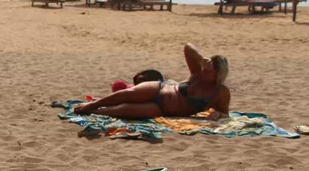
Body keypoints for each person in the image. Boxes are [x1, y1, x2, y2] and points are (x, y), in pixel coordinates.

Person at [75, 44, 230, 120]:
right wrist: (201, 59)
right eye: (205, 67)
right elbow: (188, 47)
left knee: (126, 110)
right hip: (159, 89)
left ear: (218, 74)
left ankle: (95, 111)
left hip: (162, 109)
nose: (204, 71)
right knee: (128, 93)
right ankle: (92, 105)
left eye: (209, 70)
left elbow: (225, 113)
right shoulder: (197, 74)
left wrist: (219, 114)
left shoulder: (220, 92)